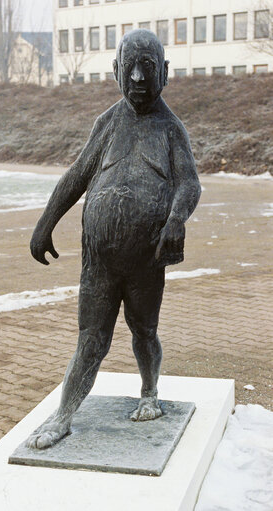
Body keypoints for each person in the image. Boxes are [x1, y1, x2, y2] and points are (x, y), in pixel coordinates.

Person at [27, 29, 201, 449]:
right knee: (91, 338)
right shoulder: (107, 122)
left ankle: (149, 392)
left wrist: (177, 218)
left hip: (146, 260)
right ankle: (64, 416)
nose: (139, 77)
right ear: (116, 71)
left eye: (148, 67)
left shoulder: (170, 128)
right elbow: (77, 175)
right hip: (99, 262)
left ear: (165, 72)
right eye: (131, 67)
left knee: (144, 332)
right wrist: (45, 222)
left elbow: (189, 183)